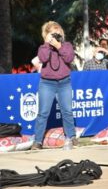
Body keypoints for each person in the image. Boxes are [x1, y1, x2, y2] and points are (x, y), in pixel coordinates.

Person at [31, 21, 78, 151]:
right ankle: (37, 141)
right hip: (47, 83)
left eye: (58, 32)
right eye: (53, 33)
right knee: (43, 113)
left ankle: (72, 137)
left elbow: (69, 58)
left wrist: (59, 46)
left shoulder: (67, 45)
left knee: (67, 111)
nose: (56, 35)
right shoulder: (43, 47)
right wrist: (47, 44)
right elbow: (43, 58)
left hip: (64, 82)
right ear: (46, 35)